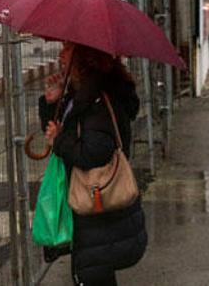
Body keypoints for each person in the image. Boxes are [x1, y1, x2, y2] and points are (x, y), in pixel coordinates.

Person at [39, 42, 148, 285]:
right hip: (94, 209)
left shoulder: (95, 100)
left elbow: (93, 153)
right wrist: (51, 103)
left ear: (83, 57)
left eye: (66, 49)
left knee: (93, 276)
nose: (60, 55)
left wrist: (59, 140)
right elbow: (59, 131)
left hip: (95, 208)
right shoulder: (83, 94)